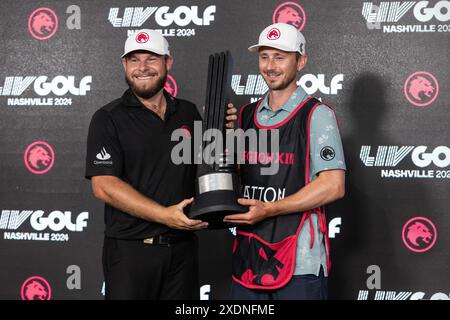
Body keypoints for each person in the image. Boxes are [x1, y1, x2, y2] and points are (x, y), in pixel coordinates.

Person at [85, 29, 236, 300]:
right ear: (124, 65)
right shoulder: (108, 118)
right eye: (134, 60)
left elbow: (209, 165)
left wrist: (225, 130)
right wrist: (164, 215)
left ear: (168, 63)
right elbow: (104, 186)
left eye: (151, 59)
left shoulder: (188, 112)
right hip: (131, 252)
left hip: (183, 250)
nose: (142, 67)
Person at [223, 23, 346, 300]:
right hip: (249, 254)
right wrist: (225, 136)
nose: (270, 66)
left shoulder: (317, 114)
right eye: (264, 56)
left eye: (280, 57)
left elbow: (333, 185)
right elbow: (243, 174)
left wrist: (270, 209)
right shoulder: (245, 115)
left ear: (300, 61)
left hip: (299, 261)